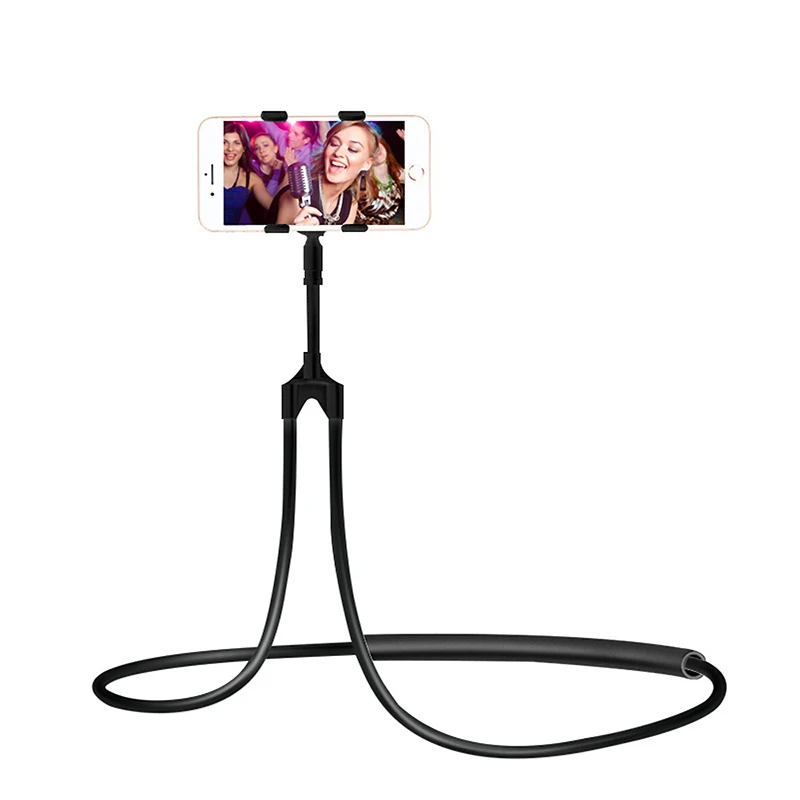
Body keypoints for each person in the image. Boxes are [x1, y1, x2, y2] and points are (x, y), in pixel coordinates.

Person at [275, 120, 378, 226]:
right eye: (334, 144)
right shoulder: (296, 197)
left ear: (367, 164)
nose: (338, 153)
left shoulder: (350, 205)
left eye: (352, 149)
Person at [223, 122, 273, 225]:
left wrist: (289, 172)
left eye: (237, 143)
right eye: (224, 142)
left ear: (244, 148)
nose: (230, 148)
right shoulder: (204, 172)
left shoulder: (252, 179)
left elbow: (275, 208)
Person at [356, 135, 404, 225]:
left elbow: (425, 175)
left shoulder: (395, 171)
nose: (375, 151)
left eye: (375, 144)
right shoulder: (361, 183)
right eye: (369, 149)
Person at [246, 131, 284, 225]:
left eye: (265, 145)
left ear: (275, 148)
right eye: (257, 148)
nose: (261, 150)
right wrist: (276, 173)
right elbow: (267, 201)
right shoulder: (251, 169)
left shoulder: (285, 169)